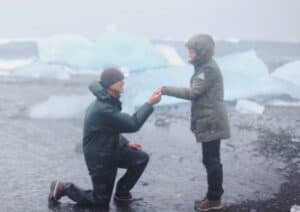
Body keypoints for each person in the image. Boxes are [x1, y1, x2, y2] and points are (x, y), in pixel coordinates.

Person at [48, 67, 162, 209]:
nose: (123, 83)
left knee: (140, 159)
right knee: (100, 201)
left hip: (110, 149)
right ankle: (64, 188)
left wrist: (126, 143)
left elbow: (109, 129)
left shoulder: (107, 102)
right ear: (110, 84)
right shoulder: (103, 108)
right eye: (120, 80)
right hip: (100, 158)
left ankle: (122, 192)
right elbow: (133, 124)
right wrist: (150, 103)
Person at [159, 34, 230, 211]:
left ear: (201, 52)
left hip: (212, 121)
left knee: (212, 160)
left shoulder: (208, 69)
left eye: (192, 50)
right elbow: (200, 99)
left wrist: (165, 89)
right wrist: (194, 122)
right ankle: (212, 196)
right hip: (207, 120)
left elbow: (193, 93)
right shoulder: (203, 67)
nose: (189, 53)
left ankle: (214, 199)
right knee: (210, 159)